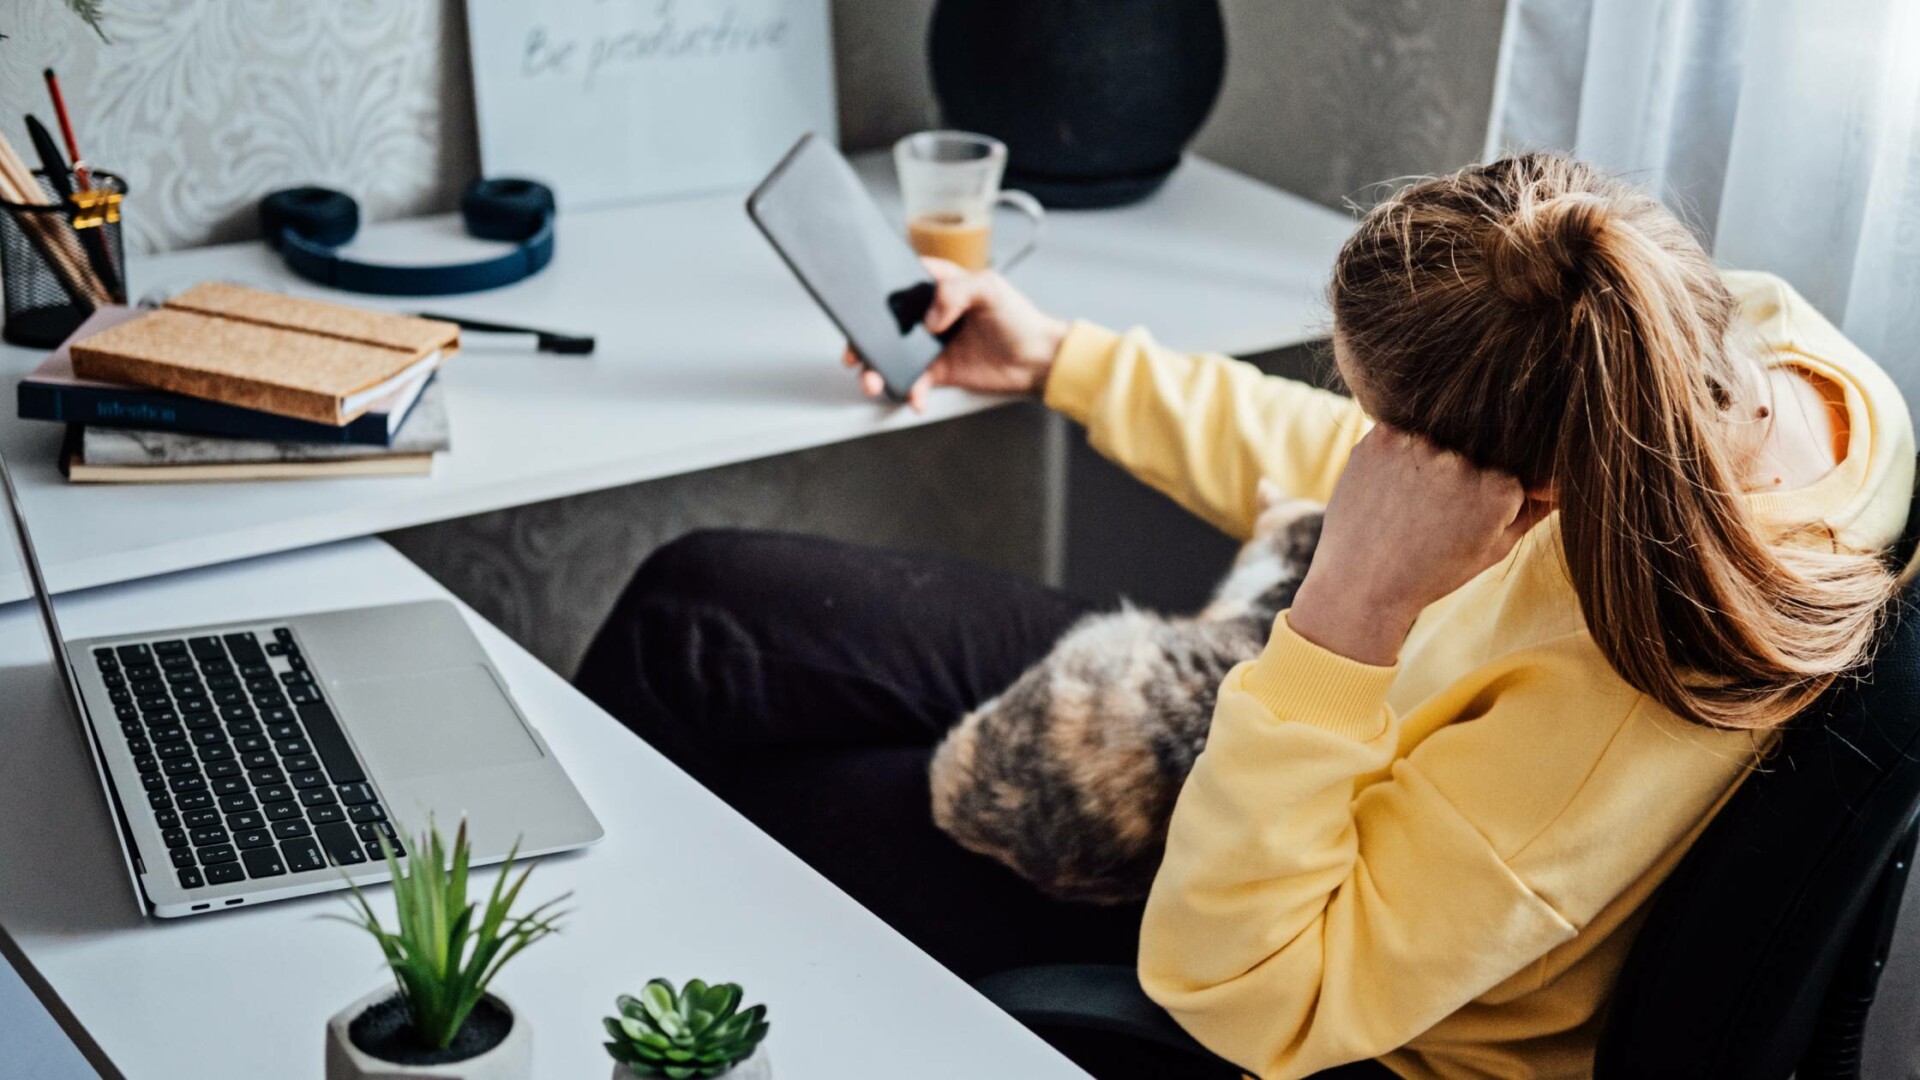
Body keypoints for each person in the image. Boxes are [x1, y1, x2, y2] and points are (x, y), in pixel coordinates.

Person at [573, 153, 1915, 1079]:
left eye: (1399, 439)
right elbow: (1370, 464)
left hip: (1299, 930)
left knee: (761, 806)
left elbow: (1256, 995)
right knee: (702, 610)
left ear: (1527, 493)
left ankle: (558, 1009)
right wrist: (1063, 361)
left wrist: (1351, 609)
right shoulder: (1742, 358)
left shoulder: (1604, 718)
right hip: (1308, 728)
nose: (1374, 451)